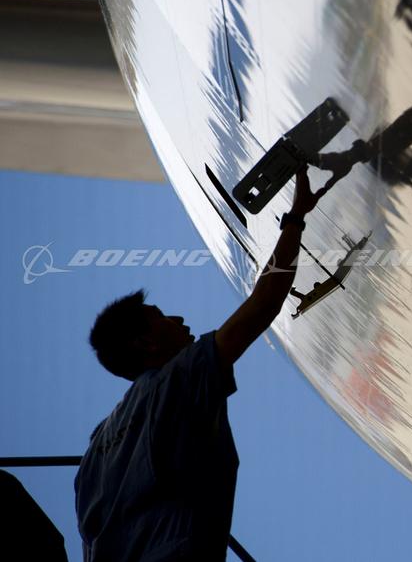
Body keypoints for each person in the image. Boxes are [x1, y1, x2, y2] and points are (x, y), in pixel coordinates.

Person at [74, 167, 324, 561]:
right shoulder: (176, 379)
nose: (178, 319)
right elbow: (264, 304)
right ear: (146, 342)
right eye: (161, 316)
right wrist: (295, 219)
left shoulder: (93, 452)